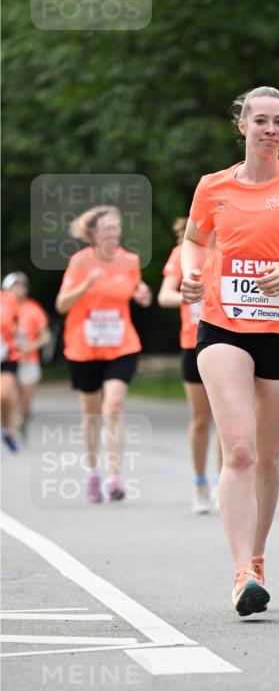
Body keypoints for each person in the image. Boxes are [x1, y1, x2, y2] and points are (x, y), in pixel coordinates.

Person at [180, 85, 279, 617]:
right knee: (242, 450)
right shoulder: (213, 187)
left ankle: (257, 555)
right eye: (262, 121)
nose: (270, 130)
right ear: (242, 124)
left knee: (269, 456)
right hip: (223, 325)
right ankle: (240, 572)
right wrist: (189, 273)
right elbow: (195, 240)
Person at [55, 205, 152, 503]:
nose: (113, 233)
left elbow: (136, 290)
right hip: (84, 347)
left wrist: (142, 294)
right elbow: (61, 305)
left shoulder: (130, 260)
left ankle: (114, 476)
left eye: (116, 227)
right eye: (107, 228)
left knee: (114, 406)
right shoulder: (80, 261)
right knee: (91, 412)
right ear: (94, 234)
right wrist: (86, 284)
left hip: (121, 345)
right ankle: (93, 471)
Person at [158, 216, 222, 513]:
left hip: (226, 341)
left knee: (227, 419)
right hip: (192, 343)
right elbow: (165, 295)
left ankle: (225, 482)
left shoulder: (231, 249)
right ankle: (199, 483)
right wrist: (188, 295)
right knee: (201, 419)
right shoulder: (182, 252)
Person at [2, 271, 51, 441]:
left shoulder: (33, 308)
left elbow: (45, 336)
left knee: (25, 401)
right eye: (15, 285)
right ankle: (10, 430)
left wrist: (30, 347)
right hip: (8, 359)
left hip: (29, 360)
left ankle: (22, 422)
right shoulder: (3, 307)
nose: (19, 288)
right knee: (9, 395)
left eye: (22, 285)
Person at [1, 285, 20, 452]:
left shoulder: (9, 298)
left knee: (4, 395)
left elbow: (18, 323)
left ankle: (7, 429)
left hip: (7, 355)